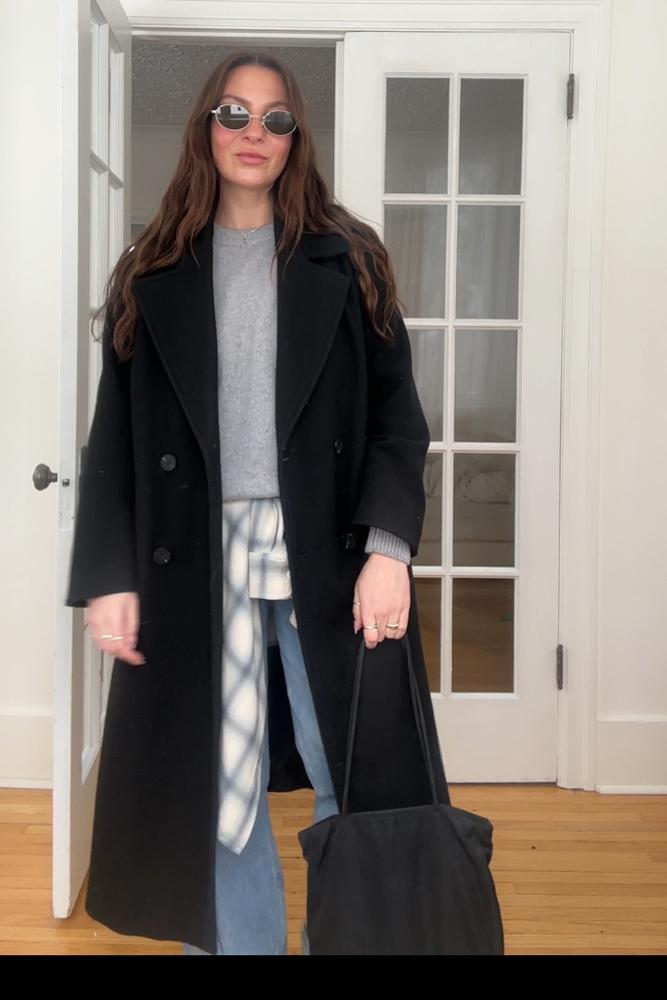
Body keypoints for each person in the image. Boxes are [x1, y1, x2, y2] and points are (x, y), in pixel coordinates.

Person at [65, 49, 451, 955]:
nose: (254, 132)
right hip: (193, 555)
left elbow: (398, 421)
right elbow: (113, 441)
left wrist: (389, 550)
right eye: (234, 113)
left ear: (295, 139)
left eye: (276, 119)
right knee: (216, 785)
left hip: (329, 550)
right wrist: (109, 575)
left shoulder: (349, 257)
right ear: (206, 128)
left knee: (350, 770)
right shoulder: (151, 268)